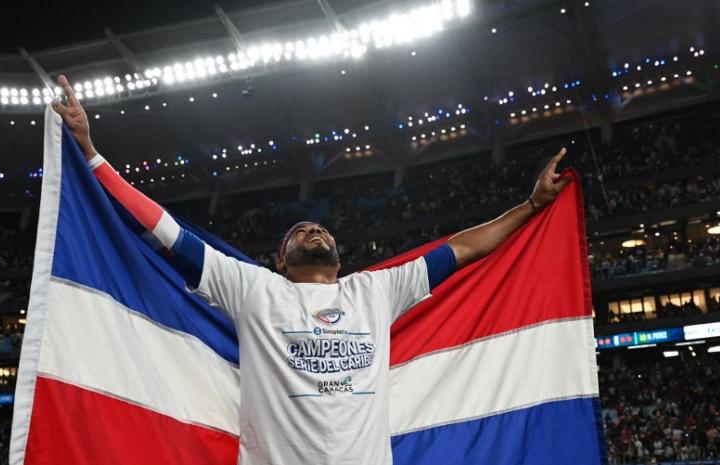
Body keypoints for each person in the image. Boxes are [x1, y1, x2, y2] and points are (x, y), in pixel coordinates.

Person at [51, 74, 572, 465]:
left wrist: (530, 206)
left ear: (339, 256)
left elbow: (461, 249)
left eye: (320, 229)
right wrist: (93, 155)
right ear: (280, 260)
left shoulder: (376, 291)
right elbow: (166, 233)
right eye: (298, 232)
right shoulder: (253, 289)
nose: (313, 231)